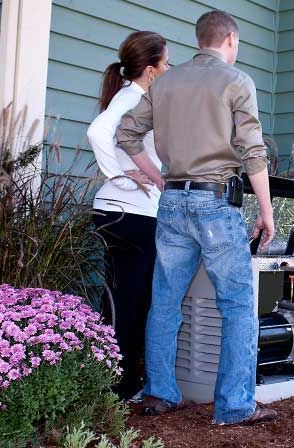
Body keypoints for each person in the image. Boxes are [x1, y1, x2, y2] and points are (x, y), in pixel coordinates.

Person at [116, 10, 278, 425]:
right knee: (239, 305)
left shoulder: (164, 81)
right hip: (214, 203)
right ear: (230, 41)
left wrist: (159, 178)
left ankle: (160, 394)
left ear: (199, 39)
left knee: (165, 303)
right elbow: (253, 151)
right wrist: (266, 209)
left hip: (171, 203)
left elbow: (126, 133)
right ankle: (235, 406)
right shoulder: (236, 80)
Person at [87, 31, 169, 401]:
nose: (169, 69)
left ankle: (112, 381)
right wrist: (119, 176)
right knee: (134, 302)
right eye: (166, 63)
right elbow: (98, 131)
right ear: (151, 70)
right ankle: (120, 386)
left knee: (122, 301)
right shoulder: (134, 96)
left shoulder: (129, 95)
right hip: (131, 215)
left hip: (118, 213)